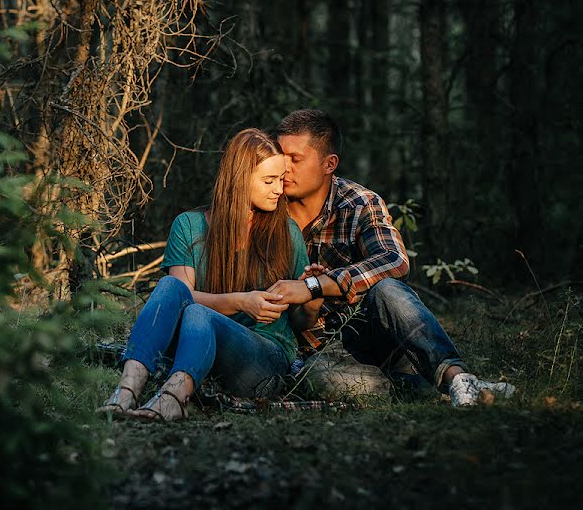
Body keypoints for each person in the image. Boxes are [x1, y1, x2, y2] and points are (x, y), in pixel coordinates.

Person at [266, 109, 516, 407]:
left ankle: (456, 376)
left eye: (295, 159)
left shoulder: (358, 203)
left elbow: (394, 261)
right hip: (322, 351)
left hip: (379, 332)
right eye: (281, 156)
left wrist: (317, 286)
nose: (285, 167)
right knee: (318, 379)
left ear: (329, 164)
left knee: (388, 288)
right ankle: (443, 390)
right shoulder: (268, 205)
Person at [98, 128, 323, 421]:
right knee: (171, 287)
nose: (279, 189)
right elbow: (179, 297)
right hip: (195, 349)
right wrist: (242, 301)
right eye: (269, 181)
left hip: (263, 359)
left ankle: (173, 399)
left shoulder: (286, 232)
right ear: (239, 179)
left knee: (198, 313)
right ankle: (127, 391)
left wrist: (312, 294)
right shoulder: (189, 226)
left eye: (280, 179)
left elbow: (302, 321)